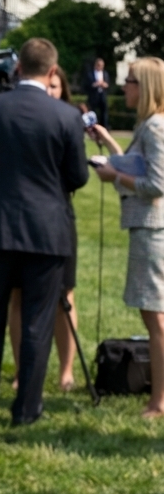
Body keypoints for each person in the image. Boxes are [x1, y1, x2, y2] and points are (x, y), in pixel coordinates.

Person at [0, 37, 88, 425]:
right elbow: (78, 176)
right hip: (48, 231)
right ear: (52, 71)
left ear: (17, 68)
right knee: (37, 322)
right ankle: (27, 409)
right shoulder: (66, 116)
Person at [90, 57, 164, 418]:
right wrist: (110, 147)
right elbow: (140, 169)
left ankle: (159, 401)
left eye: (131, 80)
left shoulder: (154, 128)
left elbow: (156, 185)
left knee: (156, 320)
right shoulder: (149, 126)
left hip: (153, 232)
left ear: (147, 86)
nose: (125, 87)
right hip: (150, 229)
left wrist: (112, 178)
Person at [7, 66, 79, 392]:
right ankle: (23, 371)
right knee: (18, 296)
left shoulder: (66, 119)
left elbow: (76, 174)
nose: (49, 92)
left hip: (58, 218)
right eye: (46, 86)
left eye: (55, 88)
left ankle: (66, 370)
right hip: (19, 218)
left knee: (65, 296)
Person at [85, 57, 110, 127]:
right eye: (99, 65)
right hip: (93, 96)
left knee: (104, 112)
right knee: (92, 112)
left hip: (102, 95)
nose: (100, 67)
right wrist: (95, 84)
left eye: (102, 65)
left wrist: (104, 84)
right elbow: (86, 85)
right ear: (95, 65)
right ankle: (92, 126)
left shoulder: (105, 73)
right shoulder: (90, 74)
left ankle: (105, 126)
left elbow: (107, 84)